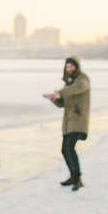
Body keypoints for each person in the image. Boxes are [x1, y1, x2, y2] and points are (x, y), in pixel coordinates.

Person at [43, 56, 90, 191]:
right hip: (69, 122)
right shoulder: (68, 84)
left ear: (77, 67)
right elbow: (63, 103)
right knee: (65, 149)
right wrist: (54, 99)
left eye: (72, 66)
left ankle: (78, 178)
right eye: (68, 67)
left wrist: (61, 92)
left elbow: (79, 88)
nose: (70, 69)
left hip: (78, 120)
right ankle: (73, 176)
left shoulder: (82, 79)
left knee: (70, 147)